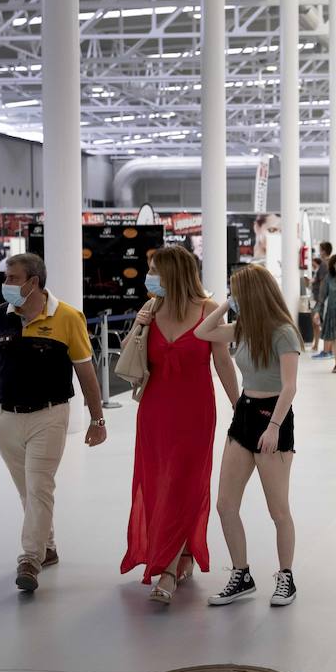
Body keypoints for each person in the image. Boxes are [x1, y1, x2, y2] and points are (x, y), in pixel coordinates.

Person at [0, 253, 107, 593]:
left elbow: (85, 371)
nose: (6, 284)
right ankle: (47, 547)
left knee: (39, 487)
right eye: (5, 278)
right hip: (5, 419)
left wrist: (98, 418)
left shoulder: (67, 317)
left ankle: (30, 558)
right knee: (28, 491)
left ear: (33, 282)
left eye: (12, 278)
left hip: (49, 416)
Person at [121, 246, 241, 605]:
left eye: (156, 270)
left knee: (183, 483)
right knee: (159, 484)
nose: (150, 276)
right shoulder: (151, 309)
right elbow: (129, 353)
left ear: (175, 273)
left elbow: (222, 363)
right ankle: (182, 553)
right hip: (155, 413)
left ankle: (167, 572)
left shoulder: (207, 311)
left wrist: (239, 407)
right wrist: (140, 325)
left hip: (195, 414)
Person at [194, 264, 302, 607]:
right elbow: (203, 333)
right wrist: (226, 304)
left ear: (253, 293)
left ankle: (286, 576)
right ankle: (241, 574)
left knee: (278, 510)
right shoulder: (242, 329)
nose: (232, 296)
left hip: (273, 417)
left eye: (236, 291)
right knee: (225, 504)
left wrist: (273, 428)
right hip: (243, 415)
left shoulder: (283, 331)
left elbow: (289, 387)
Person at [310, 242, 333, 358]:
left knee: (323, 323)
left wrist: (321, 299)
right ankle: (328, 350)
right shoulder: (329, 263)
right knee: (324, 323)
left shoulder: (325, 264)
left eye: (320, 249)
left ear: (324, 251)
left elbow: (324, 281)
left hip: (323, 298)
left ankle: (327, 351)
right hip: (325, 298)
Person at [309, 256, 327, 356]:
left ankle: (324, 347)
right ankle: (316, 344)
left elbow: (322, 284)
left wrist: (320, 299)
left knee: (318, 323)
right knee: (314, 323)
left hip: (318, 300)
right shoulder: (317, 271)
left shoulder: (322, 270)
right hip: (314, 298)